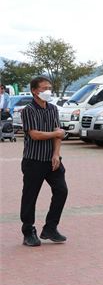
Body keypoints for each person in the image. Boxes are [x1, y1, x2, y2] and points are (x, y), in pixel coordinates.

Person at [20, 76, 68, 246]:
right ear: (34, 91)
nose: (48, 91)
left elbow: (58, 133)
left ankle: (50, 228)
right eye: (44, 88)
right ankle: (28, 231)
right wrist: (56, 133)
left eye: (49, 88)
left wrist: (56, 154)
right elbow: (35, 134)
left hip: (51, 160)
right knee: (30, 196)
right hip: (34, 160)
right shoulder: (28, 110)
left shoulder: (53, 109)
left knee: (61, 190)